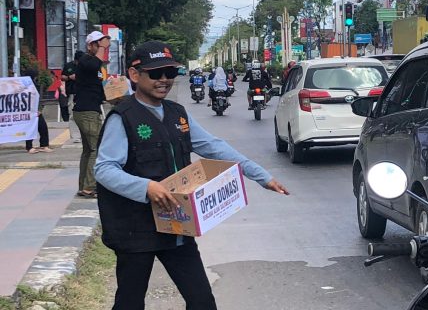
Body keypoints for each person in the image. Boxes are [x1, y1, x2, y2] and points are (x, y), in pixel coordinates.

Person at [95, 41, 289, 310]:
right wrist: (146, 187)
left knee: (202, 302)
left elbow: (213, 147)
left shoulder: (177, 114)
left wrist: (260, 175)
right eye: (155, 74)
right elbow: (104, 169)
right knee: (130, 302)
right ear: (135, 75)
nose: (164, 80)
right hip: (135, 229)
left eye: (170, 73)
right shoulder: (123, 118)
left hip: (176, 226)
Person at [73, 31, 109, 198]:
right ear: (90, 46)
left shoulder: (95, 64)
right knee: (96, 148)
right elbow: (95, 65)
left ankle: (84, 186)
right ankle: (89, 187)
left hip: (89, 110)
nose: (103, 48)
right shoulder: (86, 60)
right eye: (98, 44)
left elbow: (100, 83)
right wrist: (102, 46)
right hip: (87, 112)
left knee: (88, 150)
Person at [60, 50, 84, 121]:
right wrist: (69, 77)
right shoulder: (68, 65)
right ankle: (71, 120)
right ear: (75, 60)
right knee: (70, 107)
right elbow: (62, 77)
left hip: (82, 91)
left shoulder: (84, 66)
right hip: (71, 91)